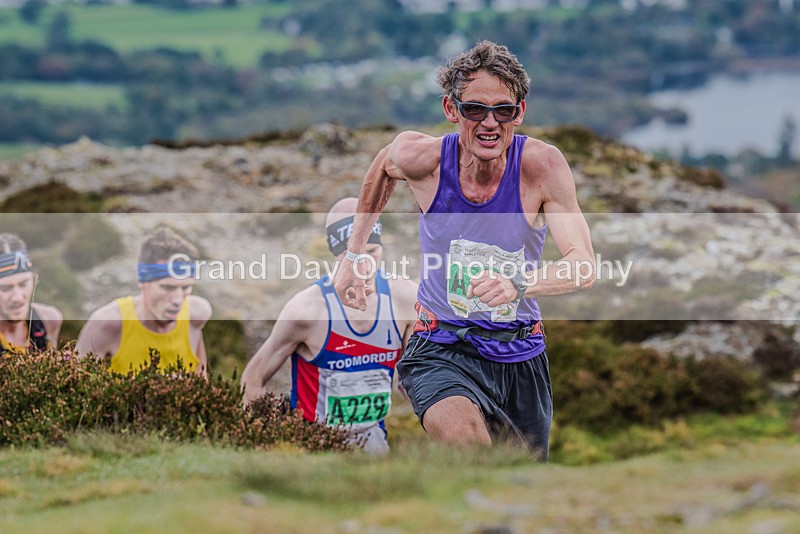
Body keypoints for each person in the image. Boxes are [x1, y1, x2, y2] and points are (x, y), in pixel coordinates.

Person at [333, 41, 595, 460]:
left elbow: (583, 267)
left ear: (520, 113)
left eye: (503, 110)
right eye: (475, 109)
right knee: (472, 450)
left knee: (519, 486)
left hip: (520, 358)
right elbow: (384, 165)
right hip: (440, 347)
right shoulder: (425, 159)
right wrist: (354, 255)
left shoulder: (543, 168)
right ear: (451, 110)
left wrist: (519, 282)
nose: (489, 123)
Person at [241, 198, 418, 454]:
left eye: (372, 252)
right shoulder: (306, 310)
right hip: (313, 446)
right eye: (353, 256)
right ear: (335, 255)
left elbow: (413, 380)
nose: (364, 266)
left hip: (373, 440)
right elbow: (252, 378)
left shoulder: (404, 299)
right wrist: (262, 443)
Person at [76, 227, 211, 376]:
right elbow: (74, 390)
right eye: (167, 287)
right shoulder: (106, 324)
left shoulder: (195, 315)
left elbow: (202, 383)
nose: (178, 300)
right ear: (143, 282)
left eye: (185, 287)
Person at [0, 233, 63, 355]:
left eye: (23, 284)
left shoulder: (48, 320)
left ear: (33, 281)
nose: (17, 297)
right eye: (6, 288)